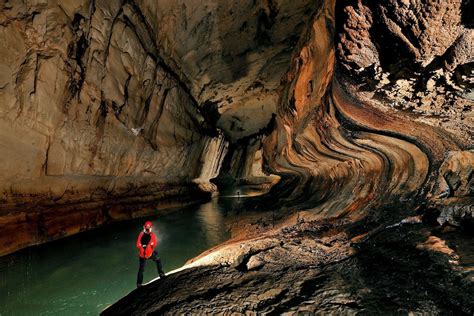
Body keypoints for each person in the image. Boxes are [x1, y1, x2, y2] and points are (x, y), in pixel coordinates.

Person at [136, 221, 165, 287]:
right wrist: (149, 245)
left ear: (144, 227)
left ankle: (139, 284)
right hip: (149, 254)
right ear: (151, 228)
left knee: (141, 269)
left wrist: (142, 246)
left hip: (142, 255)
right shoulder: (151, 235)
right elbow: (154, 244)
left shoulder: (141, 234)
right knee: (158, 259)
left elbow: (138, 245)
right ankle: (161, 274)